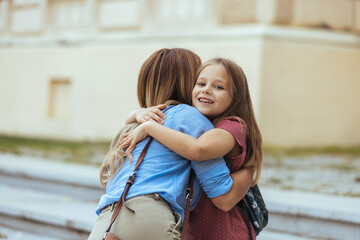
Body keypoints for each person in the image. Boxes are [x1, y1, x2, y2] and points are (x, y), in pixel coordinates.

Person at [88, 49, 253, 240]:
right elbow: (222, 196)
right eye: (199, 81)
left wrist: (136, 114)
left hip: (107, 221)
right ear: (187, 82)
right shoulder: (189, 118)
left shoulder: (131, 126)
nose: (204, 88)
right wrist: (250, 171)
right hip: (149, 217)